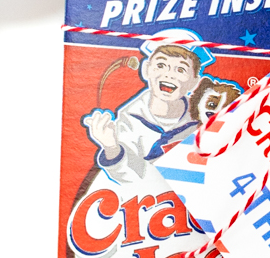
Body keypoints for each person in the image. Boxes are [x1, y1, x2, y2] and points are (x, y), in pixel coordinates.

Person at [82, 29, 212, 184]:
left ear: (194, 82)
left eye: (181, 69)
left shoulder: (203, 118)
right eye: (161, 65)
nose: (169, 74)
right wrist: (111, 148)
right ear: (146, 70)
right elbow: (130, 179)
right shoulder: (129, 121)